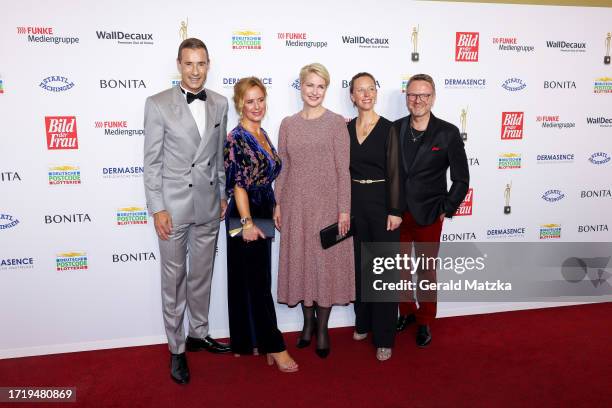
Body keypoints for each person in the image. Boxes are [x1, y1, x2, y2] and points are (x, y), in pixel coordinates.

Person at [143, 37, 231, 385]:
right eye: (189, 64)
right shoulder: (158, 104)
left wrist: (222, 194)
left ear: (208, 65)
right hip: (174, 208)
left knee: (201, 276)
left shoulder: (221, 103)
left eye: (201, 63)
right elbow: (151, 163)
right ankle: (176, 348)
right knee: (174, 281)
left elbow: (220, 157)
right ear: (179, 65)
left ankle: (199, 333)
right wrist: (157, 208)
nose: (196, 71)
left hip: (209, 205)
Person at [274, 63, 354, 358]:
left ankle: (322, 329)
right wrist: (278, 203)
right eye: (310, 85)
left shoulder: (336, 123)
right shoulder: (288, 124)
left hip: (327, 206)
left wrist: (343, 210)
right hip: (295, 206)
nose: (314, 91)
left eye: (321, 86)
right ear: (300, 86)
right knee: (302, 264)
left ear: (326, 89)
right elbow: (283, 167)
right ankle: (307, 324)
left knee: (324, 267)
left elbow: (342, 170)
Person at [224, 77, 298, 373]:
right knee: (255, 282)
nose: (256, 106)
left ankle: (254, 341)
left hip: (262, 207)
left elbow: (266, 177)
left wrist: (275, 204)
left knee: (256, 278)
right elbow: (238, 185)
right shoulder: (236, 137)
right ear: (239, 104)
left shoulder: (262, 132)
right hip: (244, 214)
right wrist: (246, 223)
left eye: (260, 100)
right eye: (249, 101)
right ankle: (275, 345)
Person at [393, 74, 469, 347]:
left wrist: (446, 208)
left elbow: (461, 178)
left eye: (424, 95)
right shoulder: (395, 128)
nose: (418, 100)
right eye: (413, 95)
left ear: (433, 97)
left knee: (426, 271)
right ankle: (407, 312)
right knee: (398, 270)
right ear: (407, 98)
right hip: (398, 214)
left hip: (429, 214)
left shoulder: (447, 132)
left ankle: (425, 321)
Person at [347, 72, 403, 361]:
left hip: (383, 206)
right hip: (355, 204)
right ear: (352, 96)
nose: (366, 94)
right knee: (360, 267)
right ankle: (363, 322)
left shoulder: (389, 128)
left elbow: (396, 172)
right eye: (360, 90)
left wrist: (395, 210)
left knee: (382, 271)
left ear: (376, 94)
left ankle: (384, 337)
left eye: (371, 89)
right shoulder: (346, 129)